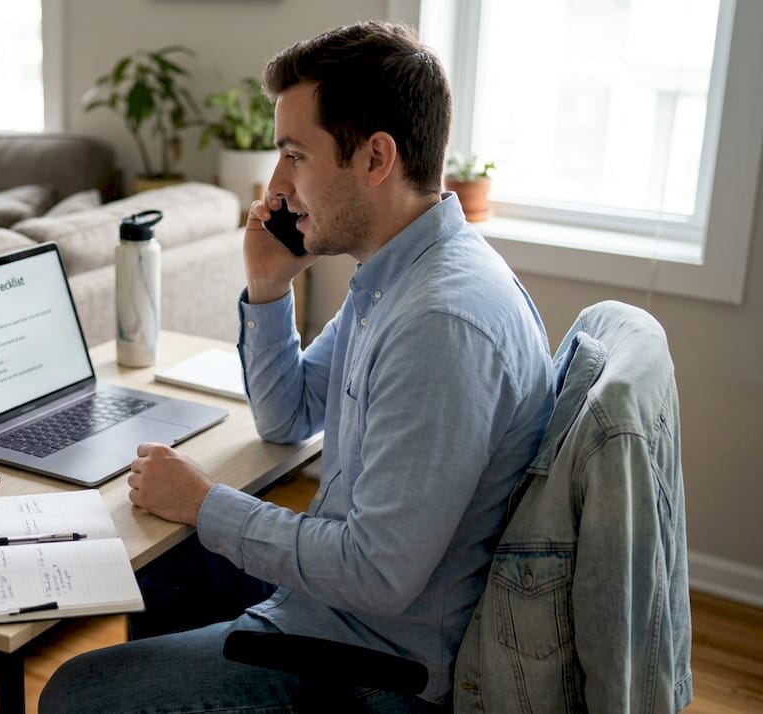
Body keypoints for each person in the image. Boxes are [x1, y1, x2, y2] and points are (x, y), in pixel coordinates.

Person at [39, 20, 555, 713]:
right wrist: (269, 285)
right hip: (336, 609)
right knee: (171, 562)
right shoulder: (399, 273)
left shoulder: (440, 322)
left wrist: (203, 501)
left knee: (78, 692)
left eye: (294, 156)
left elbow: (376, 573)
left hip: (372, 665)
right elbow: (289, 417)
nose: (276, 183)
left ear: (376, 158)